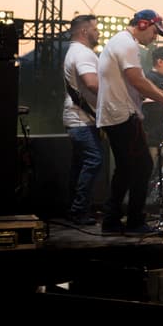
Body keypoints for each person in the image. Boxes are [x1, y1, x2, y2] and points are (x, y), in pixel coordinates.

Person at [97, 9, 163, 236]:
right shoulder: (127, 45)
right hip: (123, 115)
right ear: (142, 25)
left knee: (126, 169)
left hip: (115, 114)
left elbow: (130, 83)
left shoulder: (120, 42)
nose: (155, 37)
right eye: (154, 31)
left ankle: (111, 221)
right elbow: (137, 79)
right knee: (143, 166)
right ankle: (135, 223)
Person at [62, 14, 102, 225]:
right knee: (94, 160)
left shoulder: (74, 52)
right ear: (84, 31)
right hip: (81, 120)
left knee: (79, 165)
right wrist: (116, 94)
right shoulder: (83, 54)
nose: (98, 33)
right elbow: (91, 83)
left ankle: (76, 208)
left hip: (78, 119)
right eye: (95, 29)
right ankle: (79, 211)